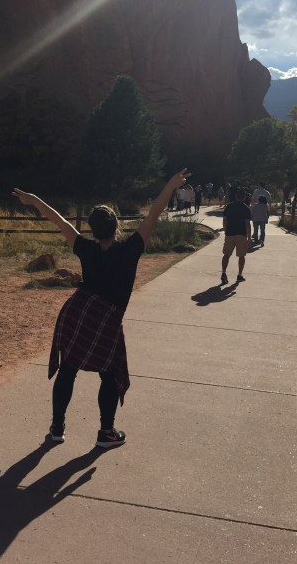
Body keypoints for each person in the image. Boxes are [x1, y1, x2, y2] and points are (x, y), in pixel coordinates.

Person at [13, 169, 191, 449]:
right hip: (107, 318)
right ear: (116, 225)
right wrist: (170, 185)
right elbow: (154, 213)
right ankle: (106, 432)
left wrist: (34, 200)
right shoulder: (131, 248)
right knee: (109, 372)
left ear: (92, 229)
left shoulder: (84, 247)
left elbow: (59, 220)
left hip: (78, 311)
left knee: (68, 369)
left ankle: (57, 428)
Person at [221, 188, 252, 284]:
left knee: (226, 255)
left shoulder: (229, 206)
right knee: (241, 256)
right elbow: (247, 224)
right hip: (241, 234)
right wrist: (249, 236)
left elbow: (224, 220)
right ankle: (239, 274)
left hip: (230, 233)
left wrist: (226, 230)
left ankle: (224, 273)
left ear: (235, 196)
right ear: (244, 197)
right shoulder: (246, 208)